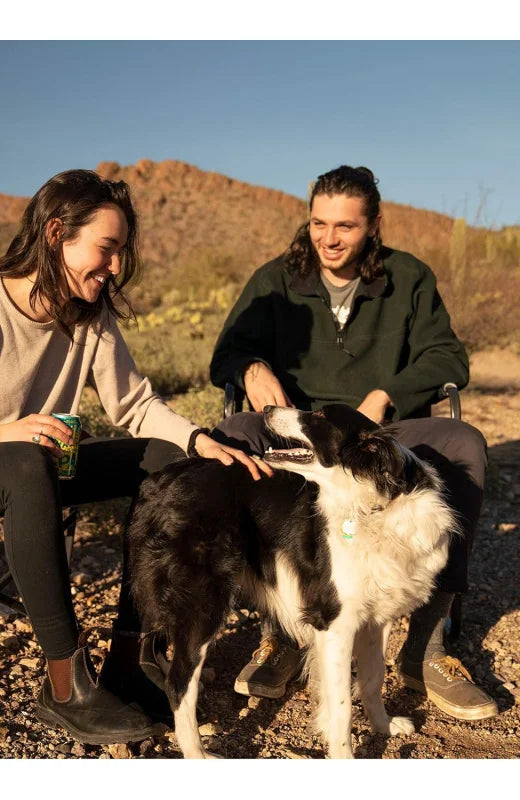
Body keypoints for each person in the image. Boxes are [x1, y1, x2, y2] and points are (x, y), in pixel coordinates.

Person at [0, 169, 268, 746]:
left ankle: (131, 655)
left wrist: (197, 441)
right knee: (24, 461)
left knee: (165, 457)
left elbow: (134, 405)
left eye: (120, 253)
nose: (114, 267)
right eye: (106, 249)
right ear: (57, 232)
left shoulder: (90, 314)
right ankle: (64, 682)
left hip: (35, 467)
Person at [209, 165, 497, 721]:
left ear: (373, 225)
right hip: (298, 430)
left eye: (345, 225)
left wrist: (387, 393)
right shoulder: (274, 282)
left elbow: (448, 358)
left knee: (463, 443)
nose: (329, 237)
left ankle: (425, 647)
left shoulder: (408, 278)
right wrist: (249, 369)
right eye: (319, 223)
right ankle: (285, 632)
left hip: (382, 433)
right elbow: (228, 351)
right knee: (229, 436)